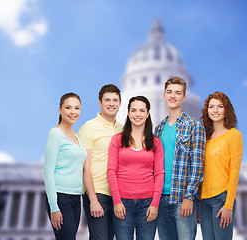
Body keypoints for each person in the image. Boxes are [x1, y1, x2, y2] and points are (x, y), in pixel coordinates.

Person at [155, 77, 206, 240]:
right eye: (169, 92)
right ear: (164, 95)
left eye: (178, 93)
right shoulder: (158, 129)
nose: (173, 96)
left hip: (182, 197)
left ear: (184, 97)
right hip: (161, 199)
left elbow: (198, 166)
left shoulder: (194, 126)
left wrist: (189, 197)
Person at [107, 96, 164, 240]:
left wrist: (155, 204)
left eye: (141, 110)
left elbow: (159, 174)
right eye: (134, 110)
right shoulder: (117, 140)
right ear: (128, 113)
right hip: (123, 203)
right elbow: (111, 171)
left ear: (147, 113)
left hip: (148, 204)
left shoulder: (156, 142)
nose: (137, 114)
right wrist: (117, 201)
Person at [77, 84, 123, 240]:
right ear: (100, 102)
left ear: (120, 103)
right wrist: (93, 199)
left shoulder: (123, 129)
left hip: (117, 195)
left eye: (115, 100)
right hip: (97, 193)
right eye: (107, 100)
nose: (111, 104)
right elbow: (85, 167)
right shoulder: (88, 128)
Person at [199, 91, 243, 240]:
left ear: (226, 109)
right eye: (211, 107)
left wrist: (229, 205)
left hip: (222, 199)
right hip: (203, 200)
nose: (215, 110)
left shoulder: (234, 135)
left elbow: (234, 172)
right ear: (207, 110)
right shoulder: (204, 138)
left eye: (220, 106)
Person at [44, 92, 87, 240]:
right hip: (61, 197)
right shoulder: (55, 134)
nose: (73, 112)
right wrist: (54, 207)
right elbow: (48, 172)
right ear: (60, 110)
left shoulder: (76, 136)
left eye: (77, 108)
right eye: (68, 107)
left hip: (76, 198)